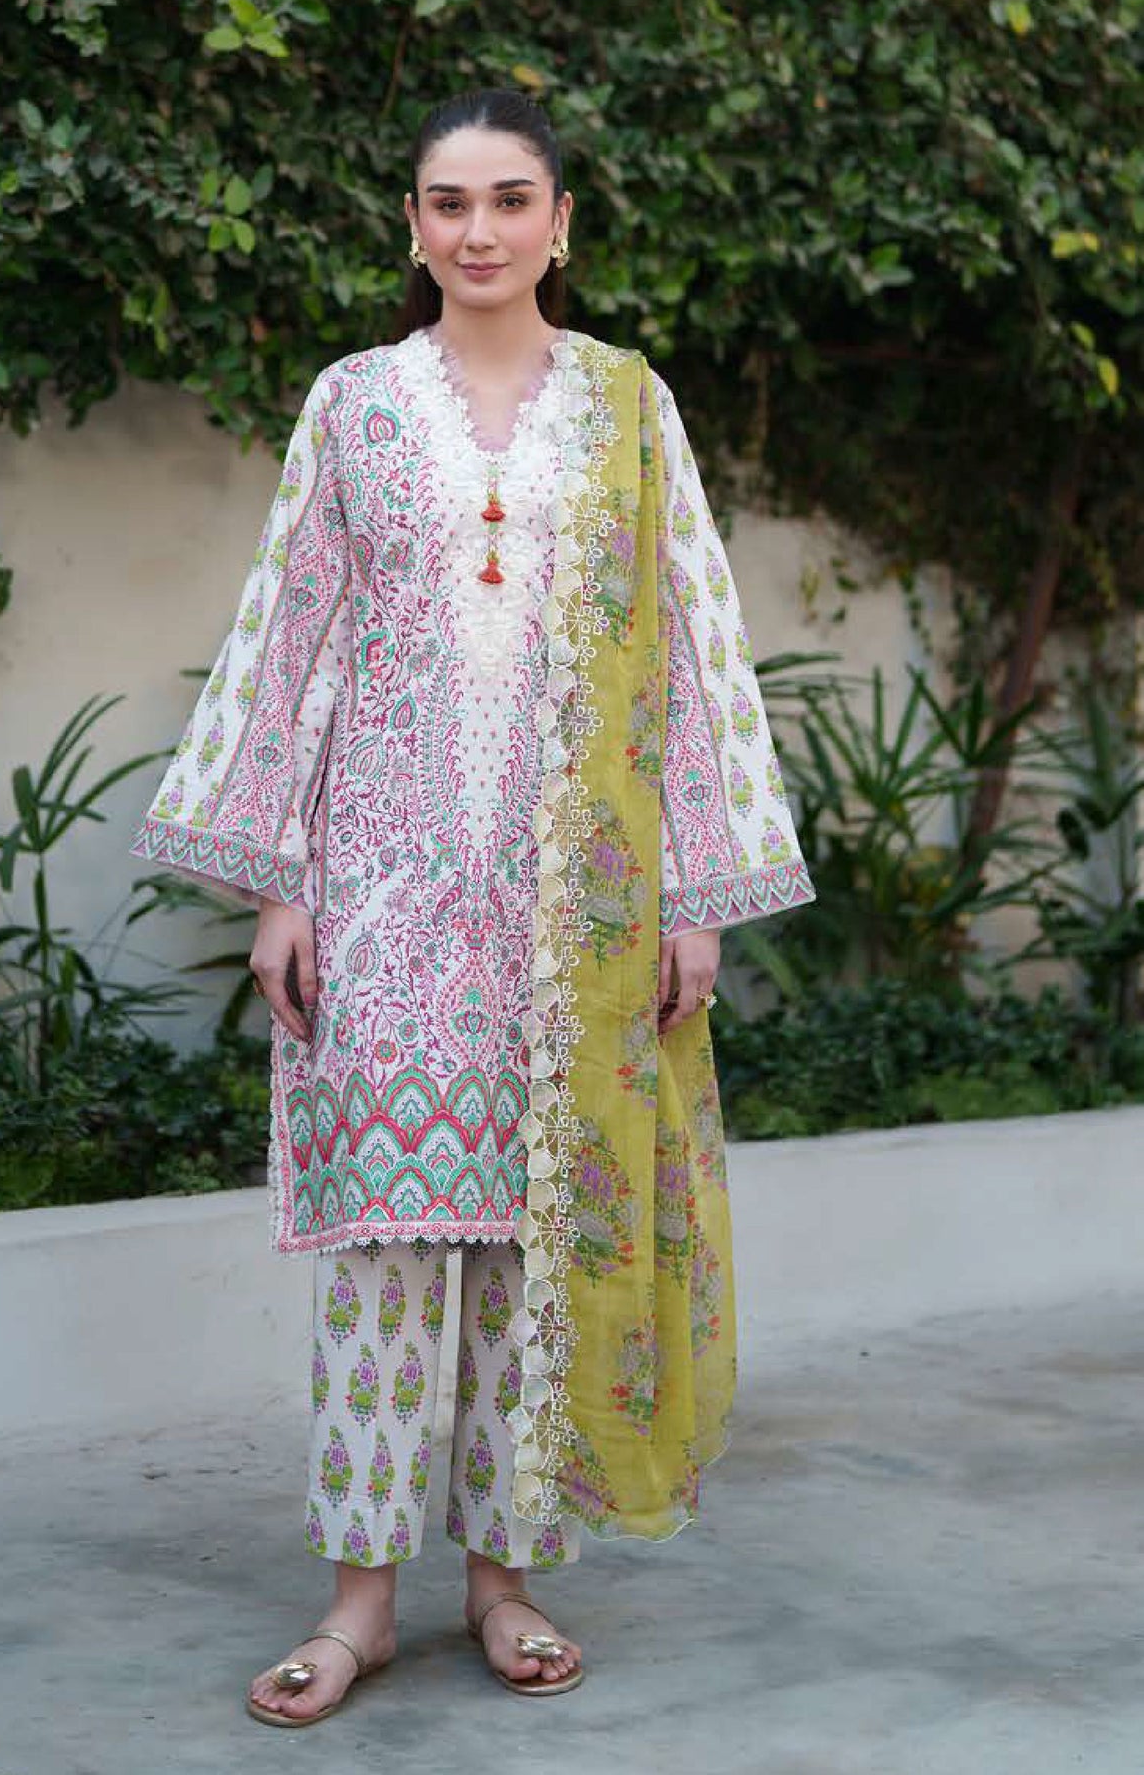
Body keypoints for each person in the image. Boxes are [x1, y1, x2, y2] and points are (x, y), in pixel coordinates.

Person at [132, 86, 815, 1727]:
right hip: (381, 885)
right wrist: (282, 885)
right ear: (414, 226)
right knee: (382, 1246)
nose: (480, 230)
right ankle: (360, 1603)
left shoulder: (629, 407)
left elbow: (694, 643)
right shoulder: (354, 403)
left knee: (535, 1247)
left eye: (511, 199)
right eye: (450, 202)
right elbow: (292, 637)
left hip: (576, 906)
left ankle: (503, 1582)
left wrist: (691, 896)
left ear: (560, 223)